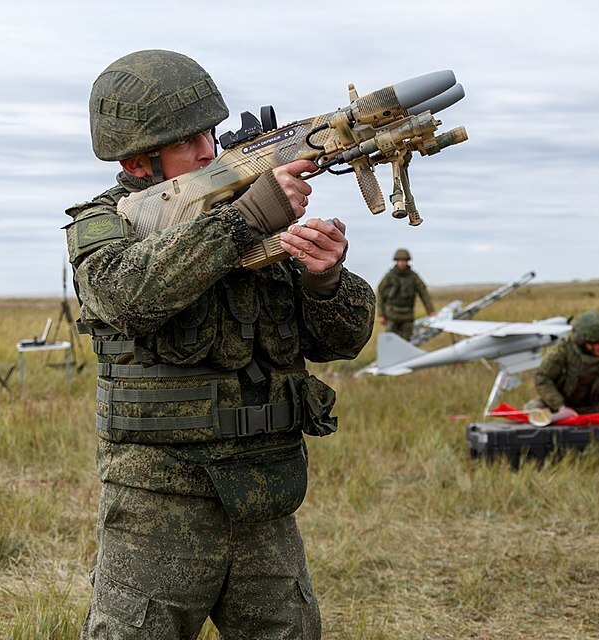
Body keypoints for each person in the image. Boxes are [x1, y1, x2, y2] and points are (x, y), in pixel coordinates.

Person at [66, 49, 376, 638]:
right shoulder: (106, 225)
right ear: (138, 161)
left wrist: (324, 278)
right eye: (189, 142)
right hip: (160, 506)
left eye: (211, 133)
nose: (210, 150)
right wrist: (246, 221)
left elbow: (341, 342)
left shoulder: (256, 211)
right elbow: (128, 294)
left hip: (265, 496)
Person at [525, 310, 599, 416]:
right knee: (533, 408)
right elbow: (542, 378)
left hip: (593, 407)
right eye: (595, 343)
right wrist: (560, 407)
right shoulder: (563, 352)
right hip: (561, 407)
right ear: (583, 341)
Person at [376, 248, 435, 340]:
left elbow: (424, 293)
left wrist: (431, 311)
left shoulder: (413, 276)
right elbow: (380, 293)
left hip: (407, 315)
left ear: (407, 261)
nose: (402, 263)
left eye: (404, 261)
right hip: (392, 315)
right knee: (390, 341)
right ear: (396, 261)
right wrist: (381, 314)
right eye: (400, 260)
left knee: (406, 342)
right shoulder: (390, 276)